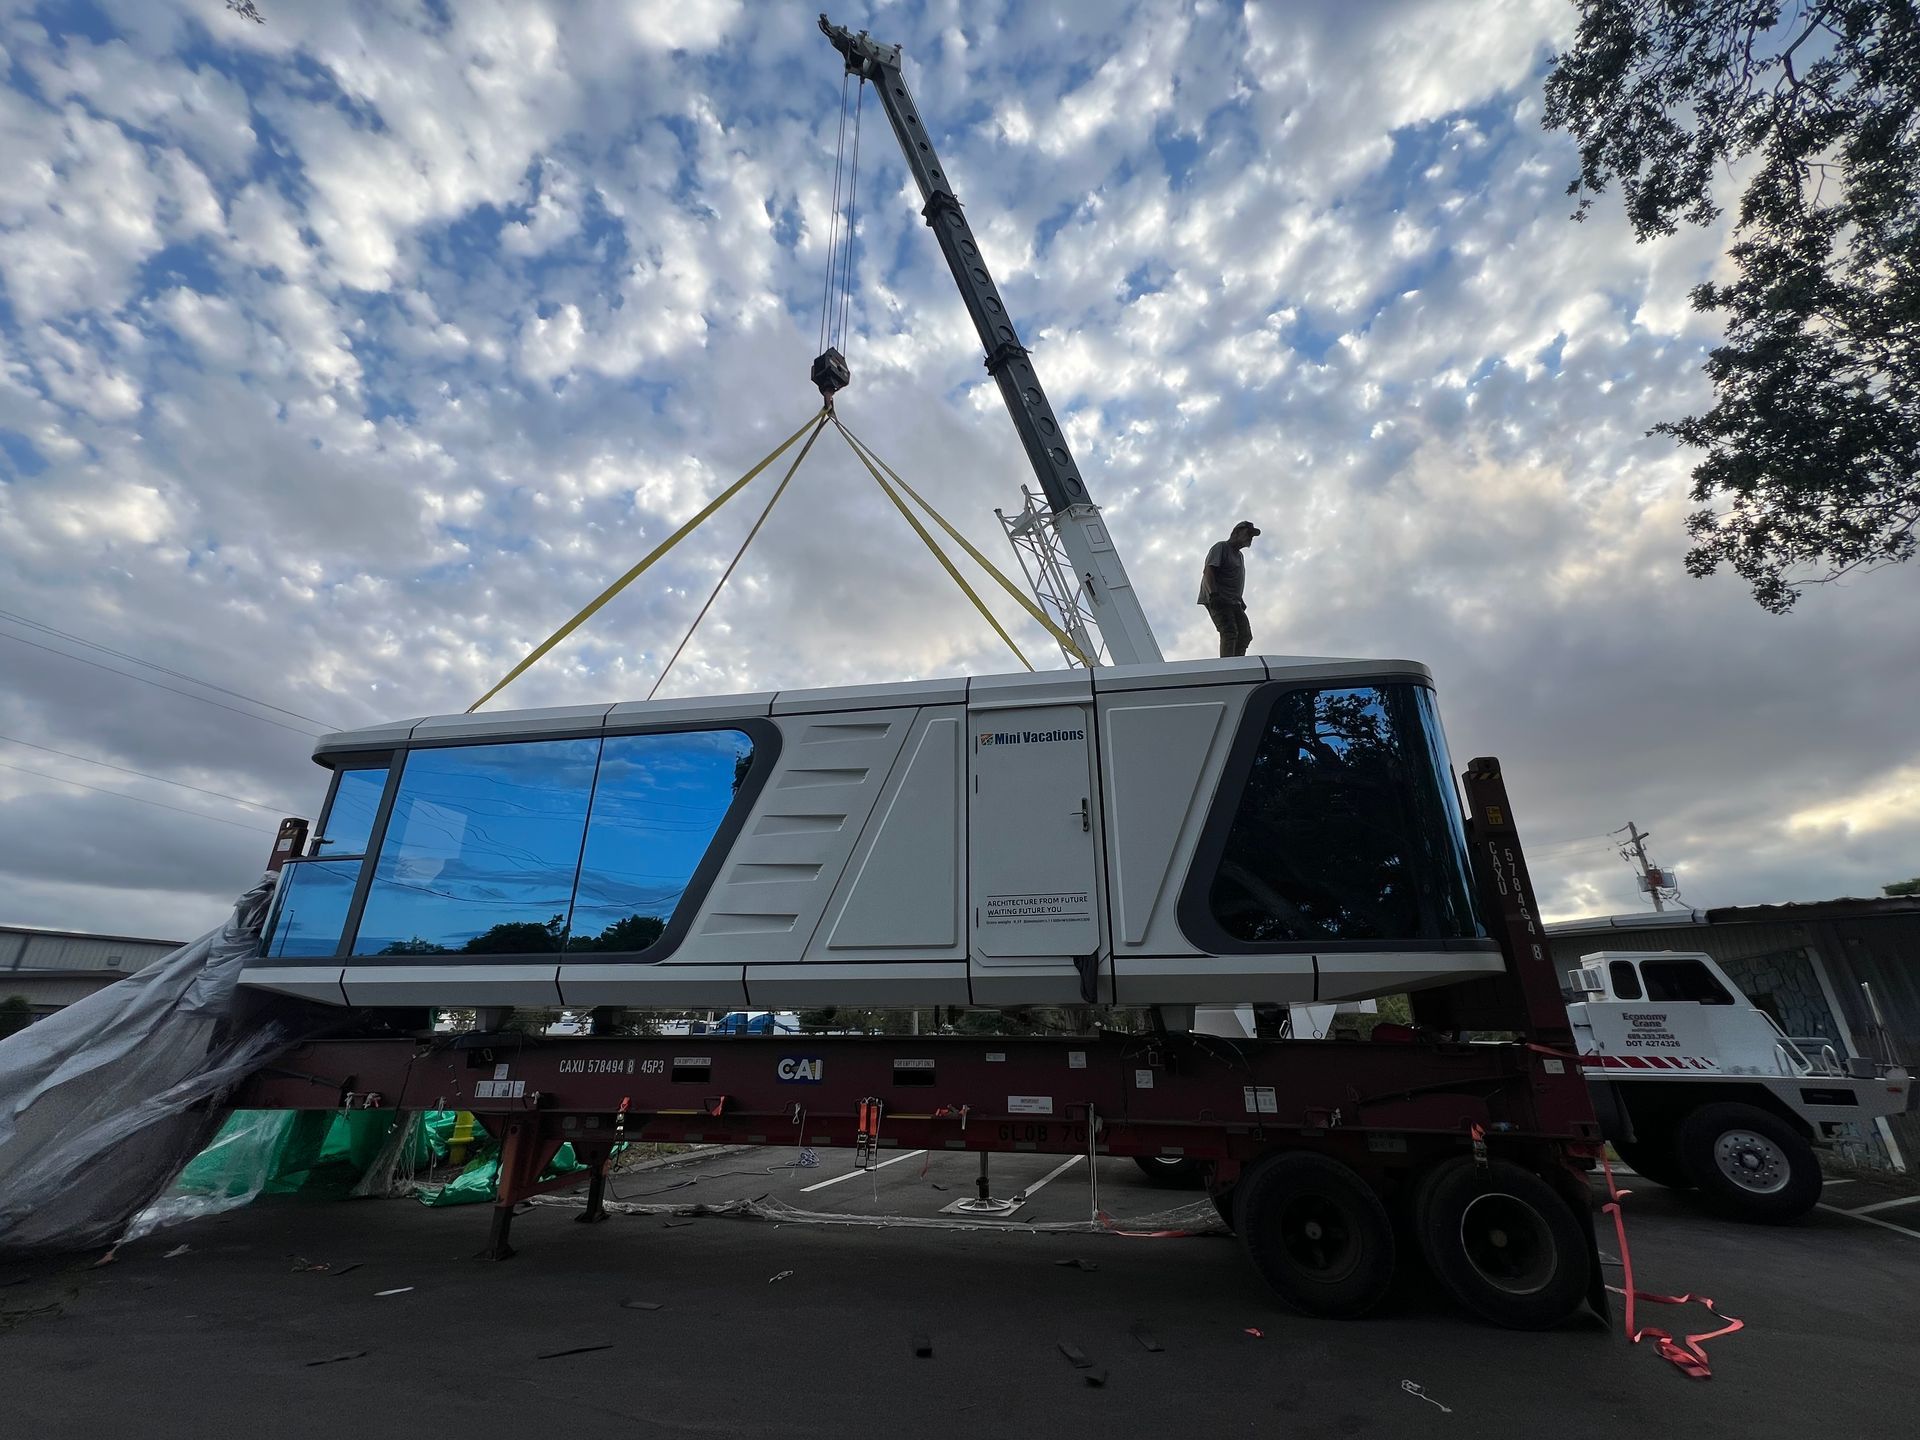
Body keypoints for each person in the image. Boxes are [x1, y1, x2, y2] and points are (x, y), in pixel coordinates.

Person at [1198, 520, 1259, 657]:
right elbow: (1208, 571)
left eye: (1252, 536)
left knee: (1245, 635)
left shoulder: (1240, 556)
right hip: (1218, 598)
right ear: (1236, 532)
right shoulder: (1221, 547)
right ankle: (1229, 666)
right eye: (1248, 533)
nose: (1250, 538)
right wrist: (1213, 594)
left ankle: (1238, 664)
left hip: (1234, 601)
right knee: (1229, 631)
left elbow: (1234, 579)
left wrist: (1239, 599)